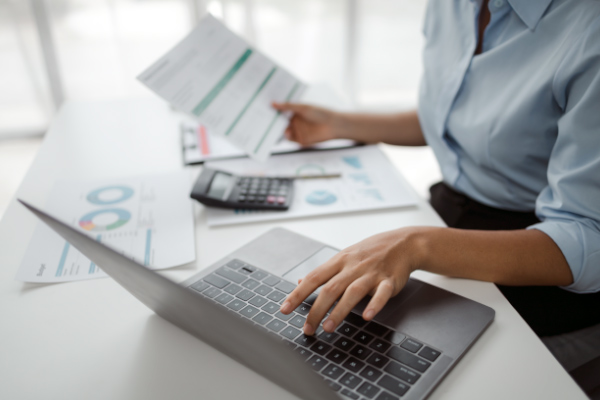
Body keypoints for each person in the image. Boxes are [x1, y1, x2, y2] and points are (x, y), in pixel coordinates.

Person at [275, 0, 600, 373]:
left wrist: (417, 244)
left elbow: (590, 237)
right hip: (448, 219)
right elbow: (456, 119)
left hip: (537, 268)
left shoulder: (589, 30)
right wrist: (337, 125)